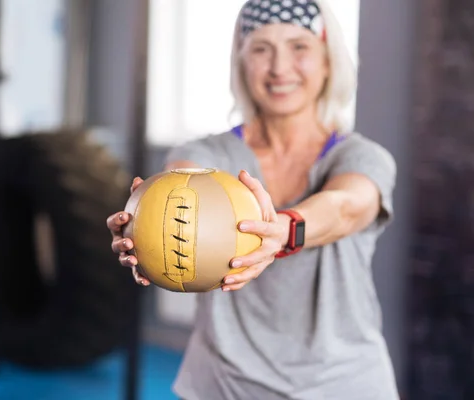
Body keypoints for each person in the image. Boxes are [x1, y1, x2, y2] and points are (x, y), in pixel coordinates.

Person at [107, 0, 400, 398]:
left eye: (299, 47)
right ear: (242, 62)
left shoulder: (361, 156)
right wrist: (140, 221)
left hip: (343, 382)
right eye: (261, 48)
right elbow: (175, 184)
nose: (279, 67)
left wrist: (286, 230)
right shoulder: (208, 155)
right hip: (225, 382)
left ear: (328, 61)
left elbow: (347, 206)